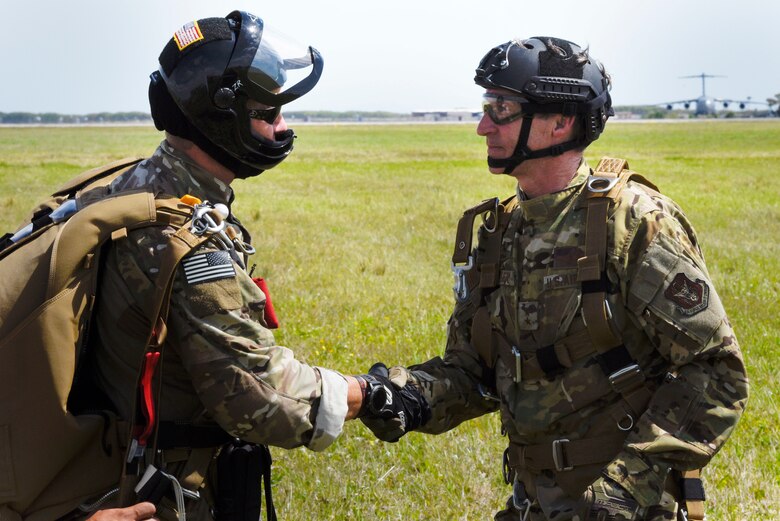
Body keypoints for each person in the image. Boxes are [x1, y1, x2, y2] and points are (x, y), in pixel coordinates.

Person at [54, 10, 425, 521]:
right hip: (155, 493)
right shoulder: (187, 240)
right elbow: (257, 397)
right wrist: (367, 392)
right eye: (268, 113)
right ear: (219, 118)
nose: (283, 127)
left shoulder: (118, 191)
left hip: (95, 474)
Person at [361, 37, 749, 520]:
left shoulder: (633, 222)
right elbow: (477, 373)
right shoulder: (498, 232)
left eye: (501, 108)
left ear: (561, 121)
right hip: (529, 505)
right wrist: (394, 394)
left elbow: (716, 372)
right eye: (486, 107)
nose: (483, 127)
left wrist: (622, 490)